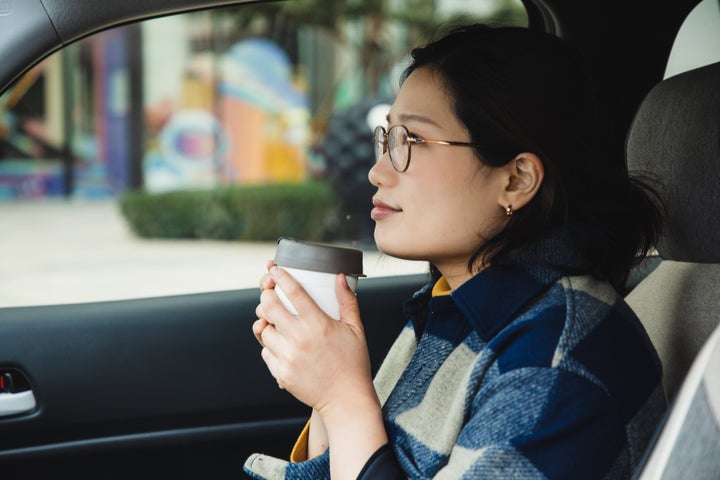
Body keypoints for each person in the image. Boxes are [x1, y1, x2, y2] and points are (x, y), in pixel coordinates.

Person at [245, 23, 666, 480]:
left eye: (413, 141)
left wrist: (343, 397)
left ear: (516, 180)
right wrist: (327, 388)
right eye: (388, 139)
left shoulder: (555, 365)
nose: (378, 172)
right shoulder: (455, 304)